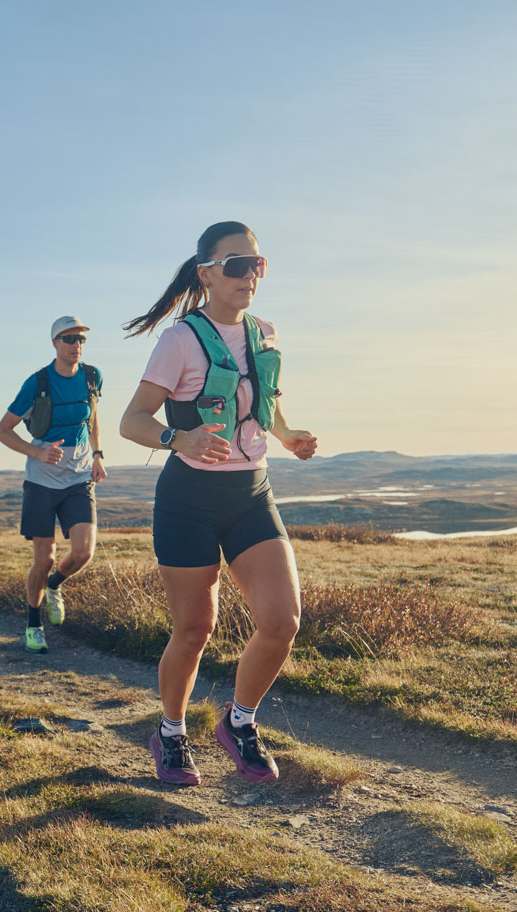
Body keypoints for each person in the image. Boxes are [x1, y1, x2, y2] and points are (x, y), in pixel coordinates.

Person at [119, 221, 317, 786]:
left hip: (251, 491)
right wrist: (175, 438)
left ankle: (240, 722)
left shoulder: (266, 333)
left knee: (282, 622)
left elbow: (264, 404)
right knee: (194, 630)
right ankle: (172, 731)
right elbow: (133, 419)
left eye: (257, 264)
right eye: (236, 265)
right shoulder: (181, 339)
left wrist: (286, 436)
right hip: (189, 498)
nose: (249, 275)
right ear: (206, 272)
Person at [0, 316, 106, 653]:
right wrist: (36, 452)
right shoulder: (37, 383)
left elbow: (94, 416)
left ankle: (56, 584)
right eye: (69, 339)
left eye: (81, 340)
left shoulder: (92, 376)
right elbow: (3, 431)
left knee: (84, 552)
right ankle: (33, 623)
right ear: (55, 343)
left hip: (79, 477)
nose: (76, 345)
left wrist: (98, 454)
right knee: (43, 559)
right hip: (42, 481)